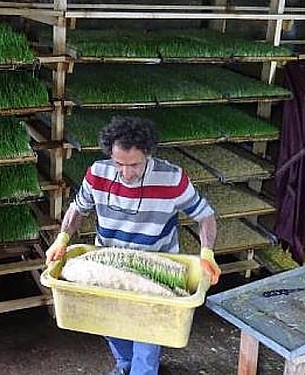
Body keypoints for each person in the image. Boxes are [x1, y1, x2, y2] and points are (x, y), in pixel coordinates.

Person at [46, 116, 221, 375]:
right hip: (107, 264)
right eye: (119, 164)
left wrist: (207, 251)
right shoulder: (97, 173)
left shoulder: (172, 178)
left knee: (147, 333)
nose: (126, 173)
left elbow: (205, 215)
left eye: (135, 165)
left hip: (155, 265)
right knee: (109, 323)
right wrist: (62, 238)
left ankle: (143, 370)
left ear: (148, 154)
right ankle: (125, 364)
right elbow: (77, 209)